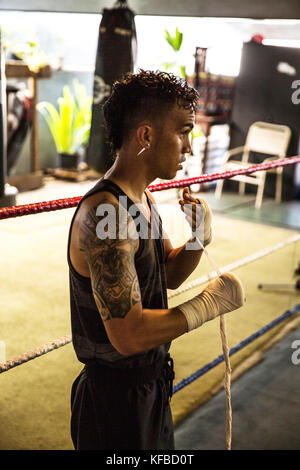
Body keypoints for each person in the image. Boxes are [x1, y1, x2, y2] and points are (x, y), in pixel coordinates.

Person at [67, 70, 245, 450]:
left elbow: (169, 275)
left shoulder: (142, 201)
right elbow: (128, 333)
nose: (189, 148)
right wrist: (206, 306)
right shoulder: (105, 215)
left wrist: (198, 240)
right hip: (112, 403)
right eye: (183, 131)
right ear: (146, 136)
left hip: (150, 386)